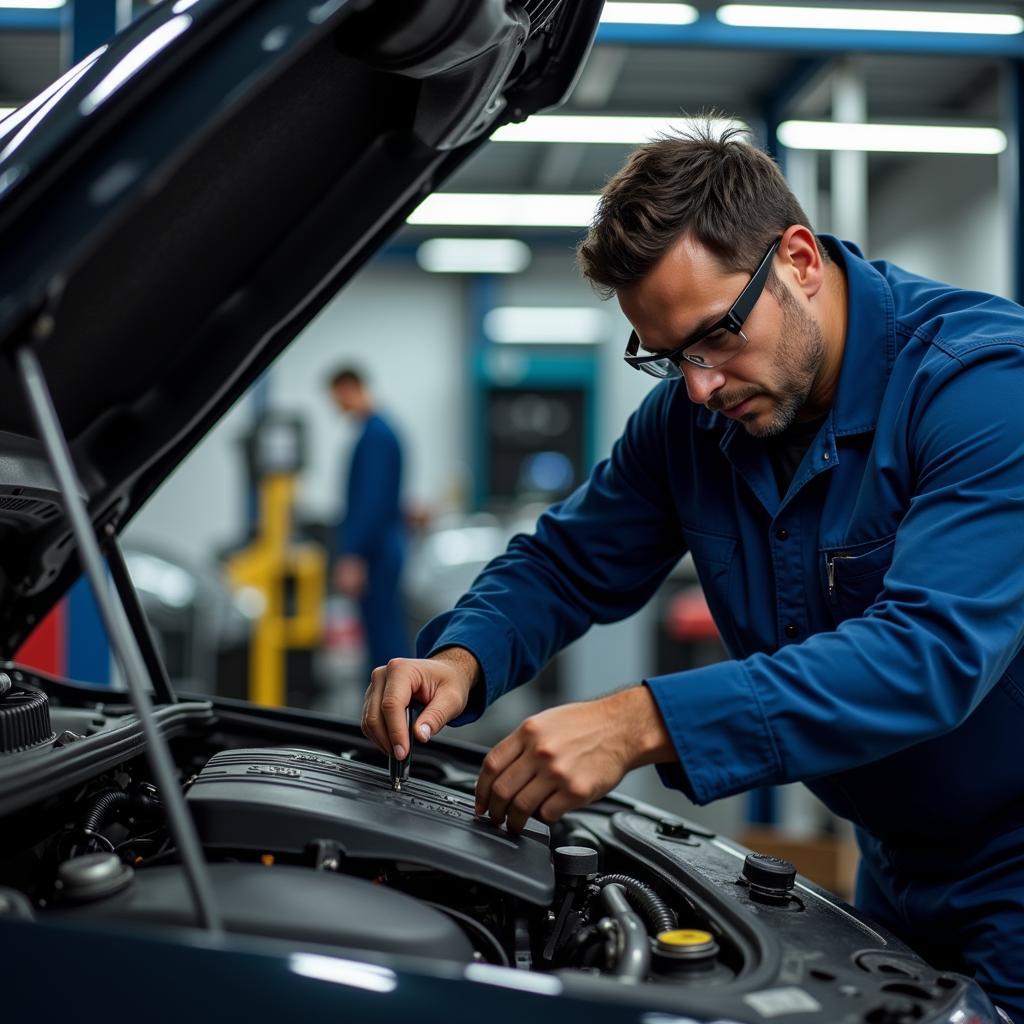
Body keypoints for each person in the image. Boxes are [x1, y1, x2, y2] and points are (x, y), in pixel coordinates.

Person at [360, 123, 1024, 1015]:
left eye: (715, 337)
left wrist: (643, 721)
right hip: (896, 857)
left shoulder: (982, 385)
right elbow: (566, 562)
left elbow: (926, 653)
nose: (700, 386)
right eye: (669, 358)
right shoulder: (695, 418)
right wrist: (462, 659)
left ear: (797, 259)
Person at [328, 366, 411, 678]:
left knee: (384, 640)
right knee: (383, 633)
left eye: (336, 397)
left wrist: (353, 555)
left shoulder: (374, 435)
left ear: (349, 388)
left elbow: (370, 501)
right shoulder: (382, 430)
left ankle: (397, 715)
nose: (336, 406)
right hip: (384, 545)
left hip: (376, 551)